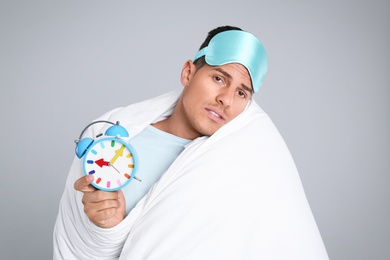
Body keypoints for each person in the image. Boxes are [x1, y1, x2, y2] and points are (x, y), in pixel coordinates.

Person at [53, 26, 329, 259]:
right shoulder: (112, 138)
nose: (227, 99)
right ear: (188, 73)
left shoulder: (248, 169)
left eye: (242, 93)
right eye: (219, 78)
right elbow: (77, 249)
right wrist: (103, 230)